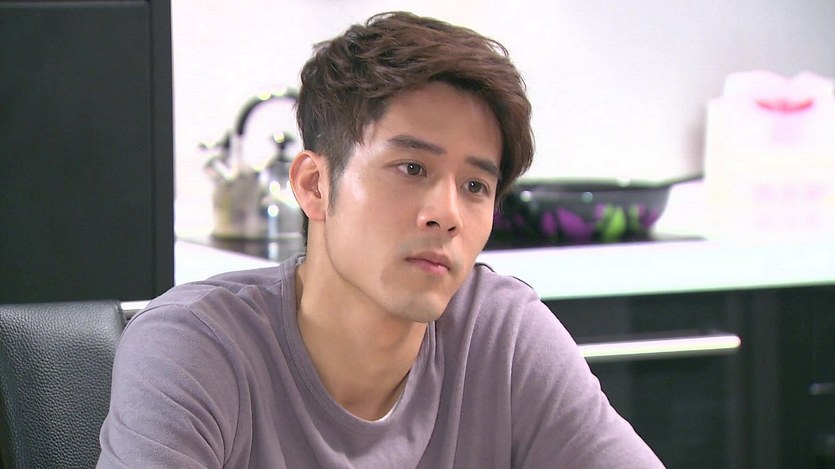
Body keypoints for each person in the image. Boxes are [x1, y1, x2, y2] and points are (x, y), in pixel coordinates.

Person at [98, 11, 664, 468]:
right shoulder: (195, 349)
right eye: (412, 168)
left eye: (474, 185)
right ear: (315, 185)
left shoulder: (502, 335)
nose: (446, 215)